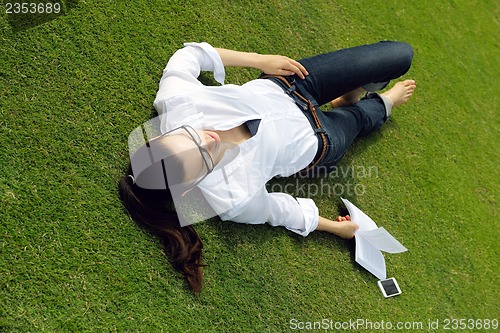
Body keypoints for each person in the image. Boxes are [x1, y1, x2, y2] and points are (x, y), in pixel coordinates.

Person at [119, 41, 416, 292]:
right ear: (189, 188)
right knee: (366, 113)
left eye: (188, 136)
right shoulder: (231, 198)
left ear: (162, 133)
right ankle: (378, 104)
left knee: (400, 55)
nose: (208, 140)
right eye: (203, 159)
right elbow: (282, 211)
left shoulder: (176, 102)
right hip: (319, 141)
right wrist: (336, 230)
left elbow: (191, 55)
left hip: (291, 85)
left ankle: (350, 95)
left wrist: (260, 60)